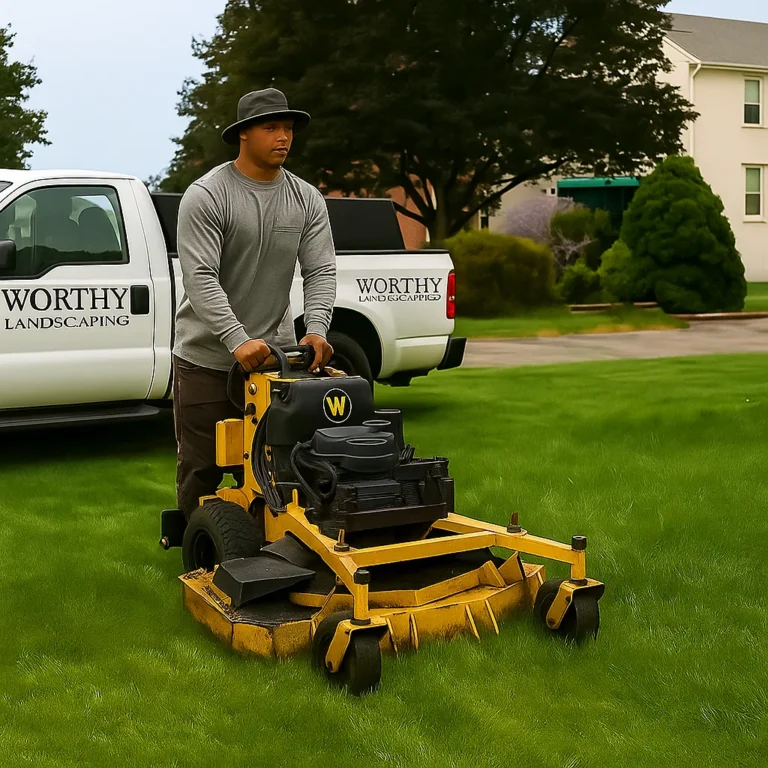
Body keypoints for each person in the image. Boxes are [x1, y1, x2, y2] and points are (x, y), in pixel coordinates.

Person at [172, 87, 336, 518]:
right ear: (243, 133)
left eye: (288, 128)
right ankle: (198, 545)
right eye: (271, 128)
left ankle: (271, 547)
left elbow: (320, 270)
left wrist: (316, 329)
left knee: (280, 466)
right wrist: (236, 338)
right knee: (203, 469)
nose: (283, 137)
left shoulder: (306, 198)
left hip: (275, 361)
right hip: (207, 359)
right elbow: (200, 277)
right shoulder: (208, 195)